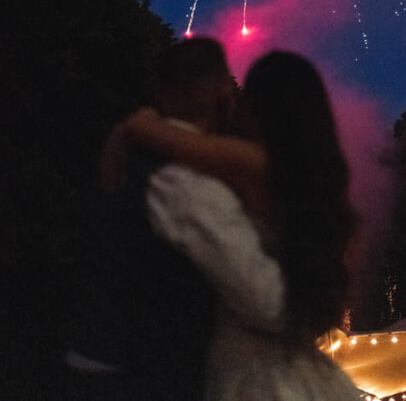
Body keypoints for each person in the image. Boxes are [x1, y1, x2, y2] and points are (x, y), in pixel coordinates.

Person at [121, 50, 361, 401]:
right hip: (308, 370)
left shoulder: (252, 165)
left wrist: (135, 124)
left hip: (251, 373)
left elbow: (173, 140)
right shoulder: (333, 197)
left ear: (258, 108)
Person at [66, 36, 248, 401]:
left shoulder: (116, 154)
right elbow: (256, 294)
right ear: (220, 93)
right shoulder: (196, 181)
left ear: (160, 91)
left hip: (88, 361)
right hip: (145, 377)